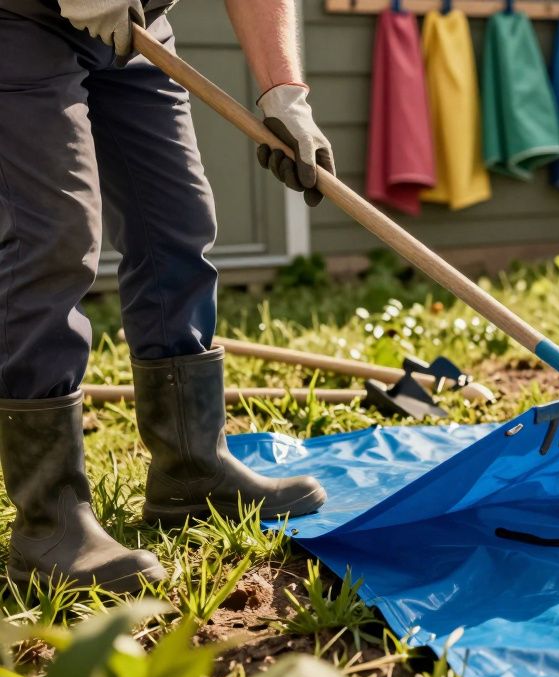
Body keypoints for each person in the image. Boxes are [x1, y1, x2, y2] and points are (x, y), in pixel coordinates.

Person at [0, 0, 336, 593]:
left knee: (176, 223)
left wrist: (286, 95)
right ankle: (48, 523)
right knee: (54, 236)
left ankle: (191, 468)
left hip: (135, 24)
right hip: (19, 17)